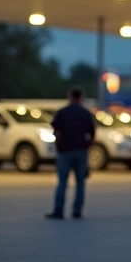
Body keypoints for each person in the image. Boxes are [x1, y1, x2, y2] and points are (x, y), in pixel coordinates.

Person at [46, 86, 95, 220]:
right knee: (80, 183)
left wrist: (58, 145)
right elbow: (92, 133)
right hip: (81, 151)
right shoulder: (85, 113)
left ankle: (59, 209)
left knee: (62, 182)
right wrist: (87, 146)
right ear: (81, 97)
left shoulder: (62, 112)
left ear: (70, 96)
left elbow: (56, 131)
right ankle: (77, 211)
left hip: (65, 150)